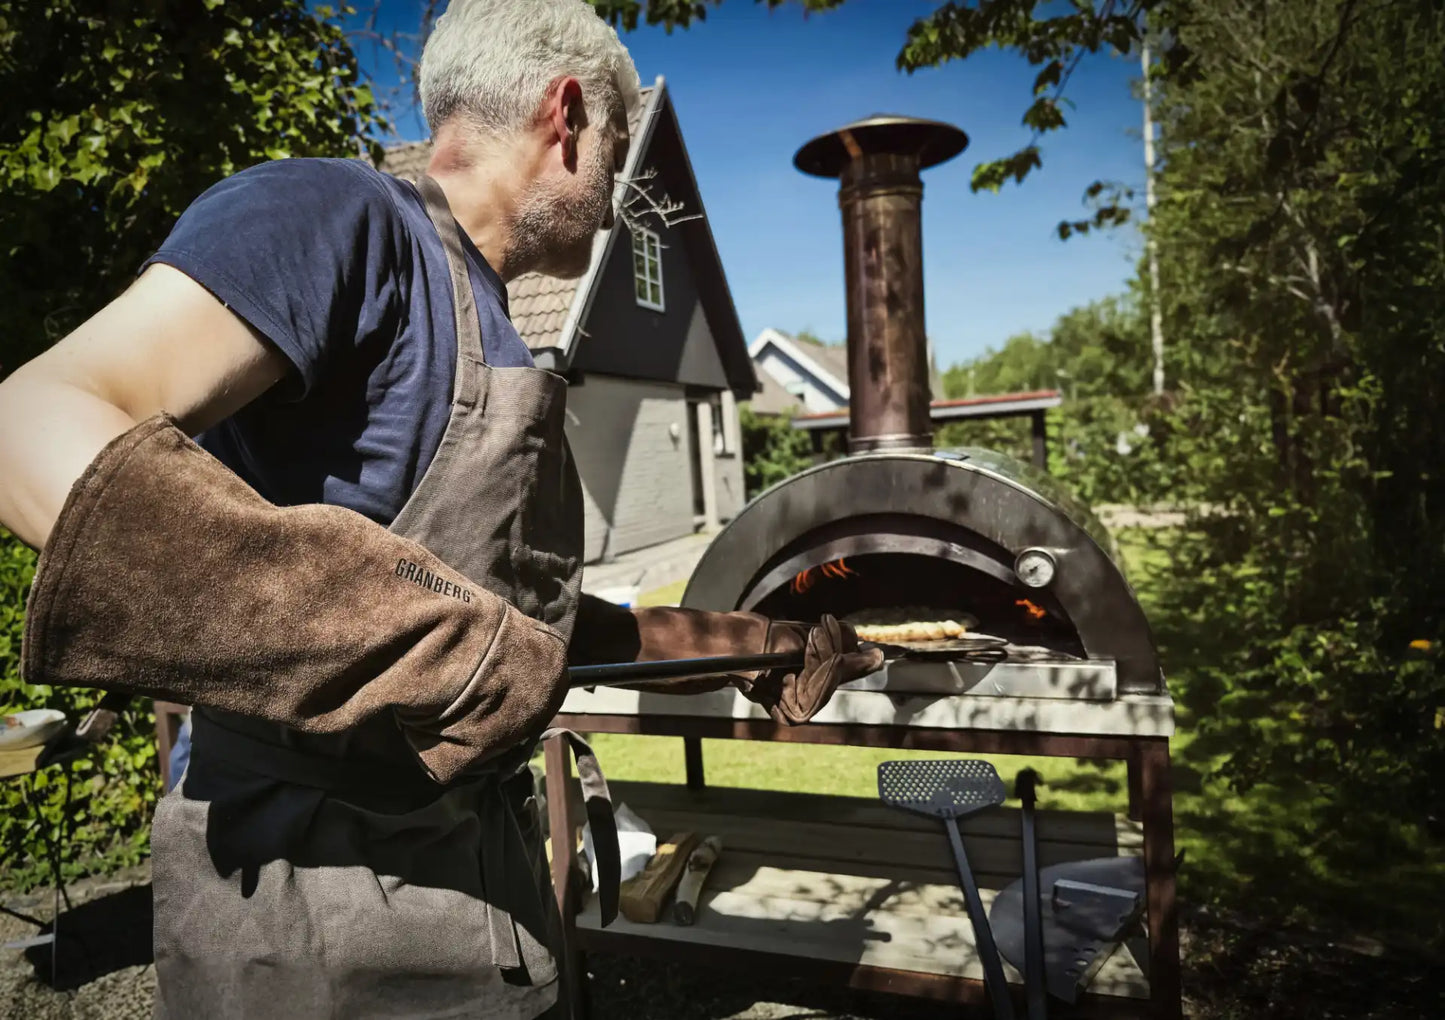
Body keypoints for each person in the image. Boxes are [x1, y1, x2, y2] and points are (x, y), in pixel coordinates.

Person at [0, 1, 882, 1016]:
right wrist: (441, 647)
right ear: (569, 115)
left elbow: (512, 631)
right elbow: (28, 423)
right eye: (619, 148)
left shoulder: (498, 331)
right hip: (311, 904)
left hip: (477, 880)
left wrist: (743, 644)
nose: (615, 199)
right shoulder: (336, 217)